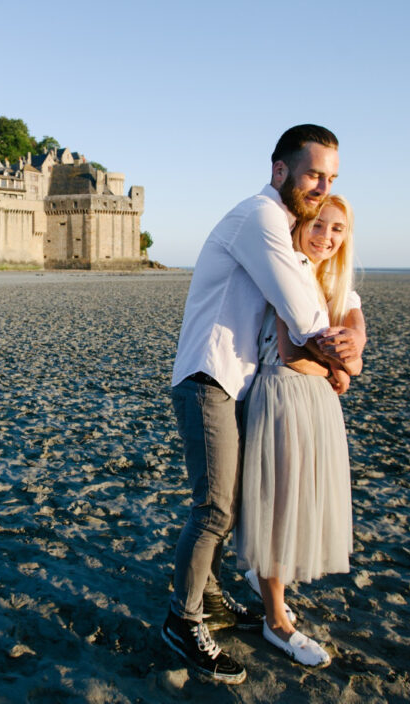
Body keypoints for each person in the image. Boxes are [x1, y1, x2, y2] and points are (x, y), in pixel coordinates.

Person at [162, 125, 363, 685]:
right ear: (281, 171)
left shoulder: (283, 224)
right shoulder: (263, 218)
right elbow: (303, 314)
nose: (322, 186)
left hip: (236, 381)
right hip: (209, 375)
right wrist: (340, 359)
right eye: (313, 174)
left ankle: (214, 597)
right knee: (215, 508)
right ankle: (182, 619)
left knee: (230, 504)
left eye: (331, 179)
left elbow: (324, 300)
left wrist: (352, 342)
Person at [236, 195, 364, 668]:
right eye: (318, 225)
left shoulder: (334, 280)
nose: (326, 237)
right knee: (279, 504)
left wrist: (350, 359)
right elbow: (291, 351)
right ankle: (275, 621)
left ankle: (267, 583)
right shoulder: (288, 269)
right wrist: (341, 369)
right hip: (285, 395)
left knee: (300, 499)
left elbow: (354, 338)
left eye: (337, 230)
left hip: (317, 403)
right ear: (300, 224)